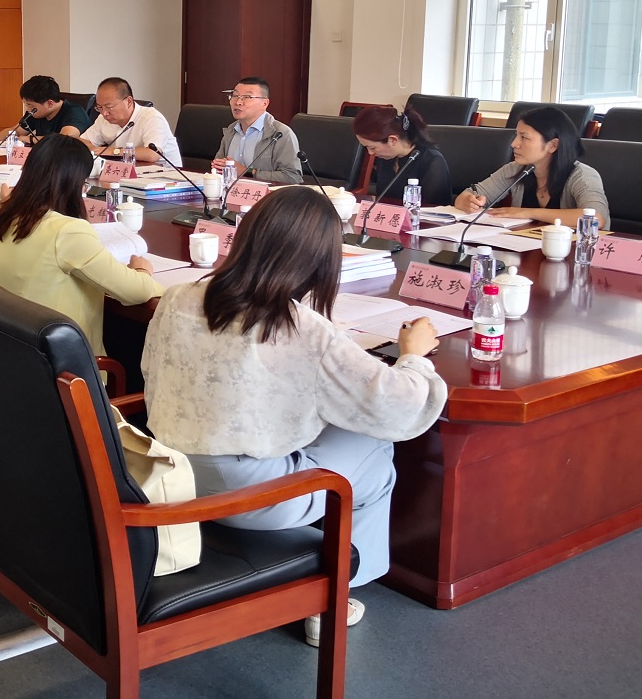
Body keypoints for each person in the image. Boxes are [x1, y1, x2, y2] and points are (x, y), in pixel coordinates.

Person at [139, 187, 445, 638]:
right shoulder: (303, 328)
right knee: (376, 449)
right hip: (251, 499)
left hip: (170, 473)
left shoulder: (178, 297)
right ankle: (331, 598)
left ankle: (322, 577)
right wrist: (414, 356)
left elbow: (152, 371)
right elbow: (397, 405)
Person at [0, 134, 163, 356]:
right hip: (59, 368)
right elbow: (134, 291)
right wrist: (142, 270)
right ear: (74, 183)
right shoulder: (67, 232)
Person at [455, 105, 609, 228]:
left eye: (524, 137)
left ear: (553, 145)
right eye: (516, 135)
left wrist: (528, 213)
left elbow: (596, 218)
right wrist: (469, 201)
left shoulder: (582, 176)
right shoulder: (516, 169)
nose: (514, 144)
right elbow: (466, 196)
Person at [352, 104, 452, 205]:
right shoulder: (385, 157)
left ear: (393, 140)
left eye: (372, 148)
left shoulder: (432, 161)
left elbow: (437, 209)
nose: (370, 153)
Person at [211, 76, 302, 183]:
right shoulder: (231, 130)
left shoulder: (281, 134)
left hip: (266, 193)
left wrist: (247, 172)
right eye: (235, 96)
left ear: (264, 103)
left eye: (247, 97)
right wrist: (217, 167)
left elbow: (292, 177)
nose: (238, 102)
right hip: (229, 191)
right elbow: (218, 167)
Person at [79, 77, 180, 166]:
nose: (104, 113)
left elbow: (153, 154)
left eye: (109, 107)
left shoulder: (151, 118)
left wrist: (114, 151)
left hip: (166, 176)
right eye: (100, 107)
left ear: (129, 101)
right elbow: (82, 142)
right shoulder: (103, 119)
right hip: (128, 173)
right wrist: (93, 150)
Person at [0, 75, 93, 143]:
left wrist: (31, 139)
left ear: (50, 103)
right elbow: (16, 131)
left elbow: (64, 139)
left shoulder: (74, 112)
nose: (28, 110)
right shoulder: (37, 112)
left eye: (30, 105)